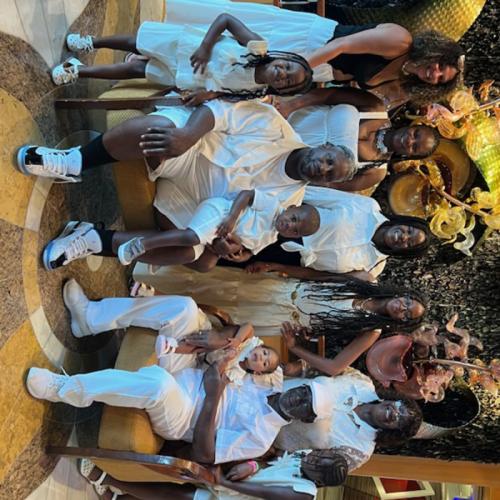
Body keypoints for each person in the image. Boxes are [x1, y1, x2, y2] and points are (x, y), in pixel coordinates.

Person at [26, 357, 332, 464]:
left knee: (160, 385)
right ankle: (90, 316)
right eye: (304, 392)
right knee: (184, 309)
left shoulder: (262, 438)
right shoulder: (268, 383)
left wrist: (213, 396)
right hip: (191, 372)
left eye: (306, 405)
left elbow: (203, 453)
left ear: (304, 418)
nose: (298, 398)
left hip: (185, 414)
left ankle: (66, 389)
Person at [165, 0, 465, 107]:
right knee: (236, 51)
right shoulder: (400, 41)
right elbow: (341, 46)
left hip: (319, 70)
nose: (435, 73)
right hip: (314, 44)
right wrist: (294, 67)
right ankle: (168, 37)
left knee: (238, 75)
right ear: (435, 52)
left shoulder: (401, 81)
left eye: (440, 79)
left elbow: (350, 83)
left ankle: (164, 72)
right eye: (440, 66)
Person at [63, 279, 282, 388]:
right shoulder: (249, 344)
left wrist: (223, 360)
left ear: (258, 372)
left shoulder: (238, 377)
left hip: (189, 366)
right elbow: (248, 326)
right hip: (201, 338)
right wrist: (236, 340)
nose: (260, 357)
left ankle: (169, 345)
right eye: (265, 353)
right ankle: (90, 318)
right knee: (186, 307)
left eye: (264, 363)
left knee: (184, 346)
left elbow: (212, 380)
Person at [53, 14, 313, 100]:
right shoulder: (258, 48)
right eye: (287, 67)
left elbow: (225, 95)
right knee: (137, 44)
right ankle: (91, 42)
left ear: (282, 90)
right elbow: (225, 20)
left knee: (136, 71)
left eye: (288, 81)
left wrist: (206, 95)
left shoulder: (254, 92)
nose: (283, 74)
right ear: (284, 58)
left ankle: (78, 71)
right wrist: (206, 47)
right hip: (190, 47)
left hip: (189, 75)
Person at [276, 327, 423, 471]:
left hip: (268, 435)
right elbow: (315, 369)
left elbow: (308, 468)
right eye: (400, 407)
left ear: (394, 432)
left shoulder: (359, 450)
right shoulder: (362, 382)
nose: (395, 413)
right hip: (271, 387)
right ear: (394, 399)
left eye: (399, 420)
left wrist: (272, 454)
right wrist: (288, 369)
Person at [112, 190, 321, 268]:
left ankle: (153, 255)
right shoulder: (272, 207)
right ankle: (142, 244)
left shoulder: (271, 237)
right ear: (291, 208)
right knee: (192, 238)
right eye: (293, 218)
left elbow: (250, 252)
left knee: (199, 259)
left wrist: (239, 257)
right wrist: (232, 217)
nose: (290, 225)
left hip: (218, 236)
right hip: (221, 213)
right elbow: (246, 195)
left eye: (295, 231)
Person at [77, 449, 348, 499]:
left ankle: (107, 480)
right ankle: (119, 497)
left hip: (236, 496)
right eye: (319, 454)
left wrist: (222, 481)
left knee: (176, 495)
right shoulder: (306, 457)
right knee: (176, 483)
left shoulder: (305, 494)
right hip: (236, 482)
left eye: (318, 463)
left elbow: (263, 492)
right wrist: (252, 465)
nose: (313, 457)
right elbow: (272, 460)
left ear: (319, 480)